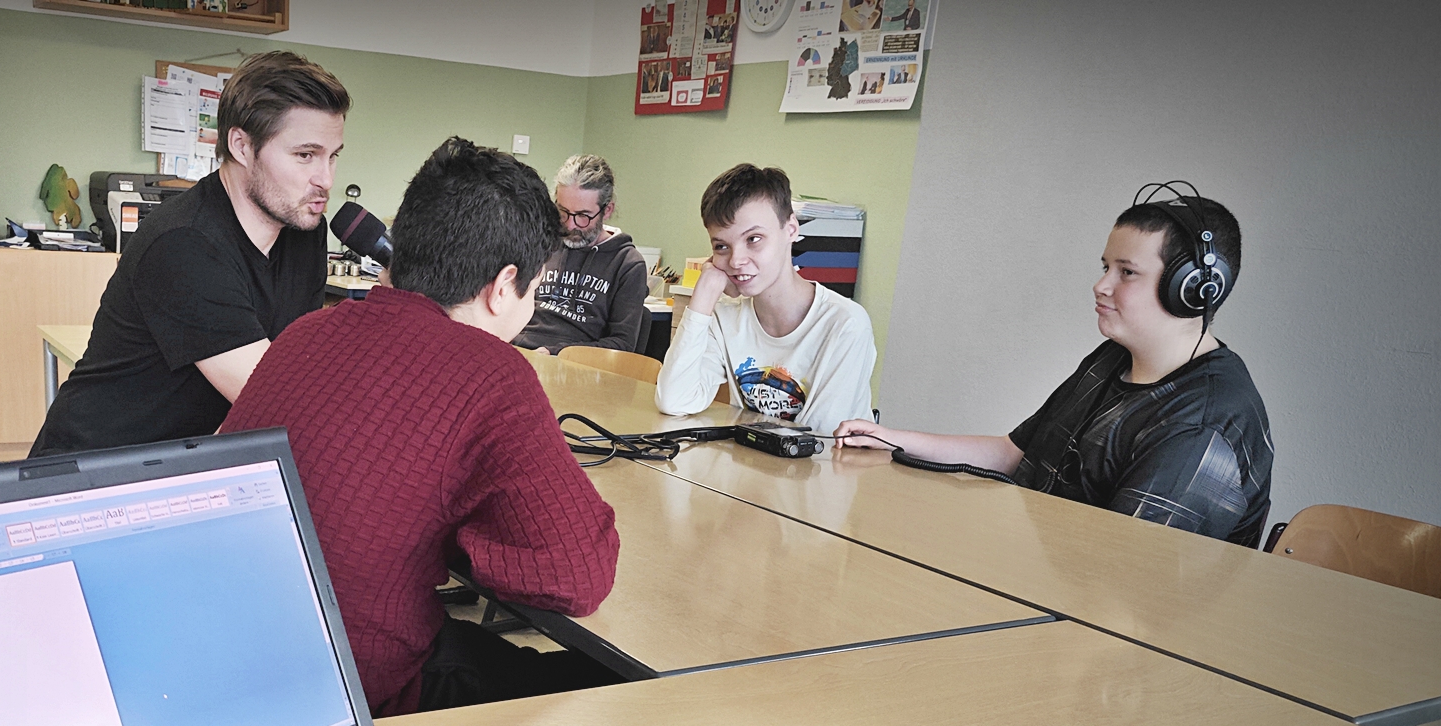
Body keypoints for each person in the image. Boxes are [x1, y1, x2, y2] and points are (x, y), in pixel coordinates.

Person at [223, 137, 621, 716]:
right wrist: (474, 532)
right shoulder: (491, 373)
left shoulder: (306, 332)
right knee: (602, 684)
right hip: (351, 700)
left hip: (234, 666)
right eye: (535, 289)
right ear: (503, 285)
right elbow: (578, 575)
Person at [834, 190, 1274, 547]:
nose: (1101, 285)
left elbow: (1130, 576)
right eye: (1106, 267)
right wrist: (891, 438)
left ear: (1193, 290)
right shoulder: (1113, 359)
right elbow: (1015, 454)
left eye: (1127, 272)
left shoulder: (1203, 423)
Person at [29, 52, 350, 456]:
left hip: (183, 461)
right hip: (94, 468)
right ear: (241, 146)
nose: (326, 179)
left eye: (333, 156)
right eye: (305, 155)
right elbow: (278, 403)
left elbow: (296, 367)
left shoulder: (304, 229)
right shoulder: (184, 243)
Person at [655, 163, 876, 433]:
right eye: (721, 246)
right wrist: (703, 297)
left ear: (791, 229)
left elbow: (820, 438)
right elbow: (674, 401)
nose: (736, 260)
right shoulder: (725, 316)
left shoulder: (845, 324)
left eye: (754, 239)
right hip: (750, 457)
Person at [514, 154, 652, 356]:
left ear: (607, 210)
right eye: (563, 212)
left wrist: (556, 352)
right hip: (517, 349)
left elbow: (622, 344)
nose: (570, 225)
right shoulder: (543, 243)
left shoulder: (627, 264)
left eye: (582, 216)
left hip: (572, 362)